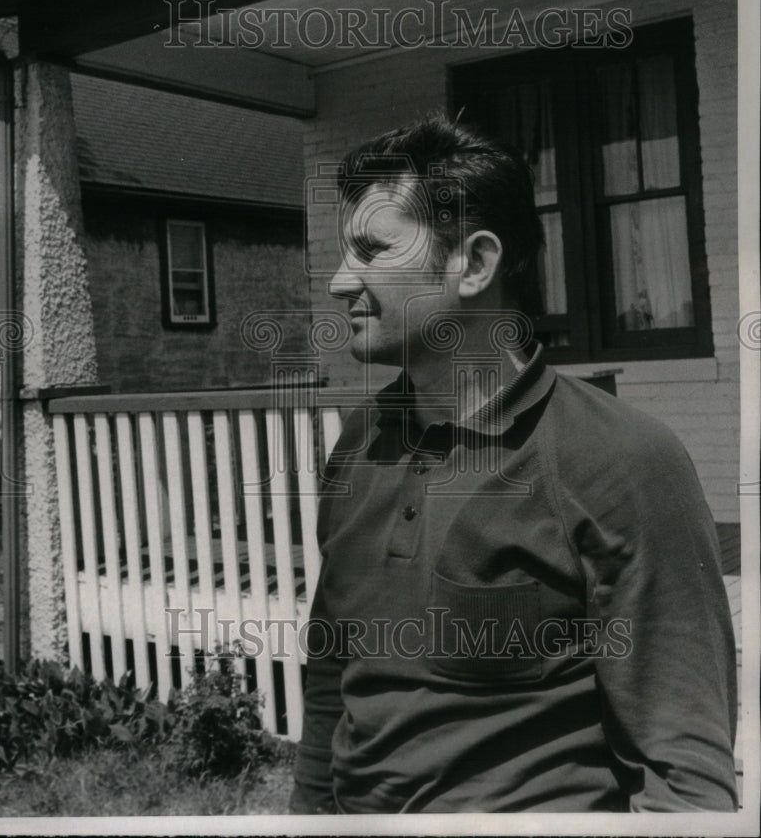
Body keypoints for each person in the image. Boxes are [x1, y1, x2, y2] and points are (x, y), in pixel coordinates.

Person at [290, 114, 737, 814]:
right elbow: (331, 677)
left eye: (372, 251)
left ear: (473, 263)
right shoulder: (360, 441)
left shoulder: (620, 460)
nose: (340, 283)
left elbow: (681, 766)